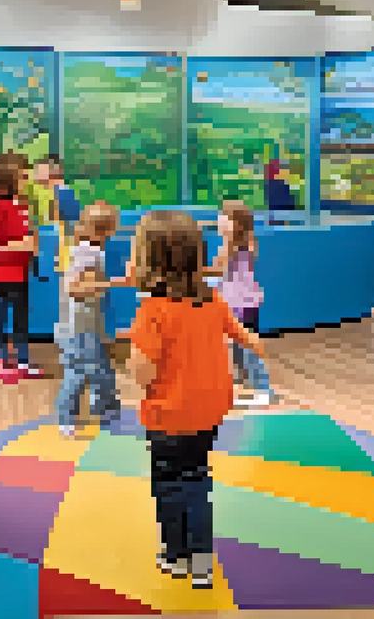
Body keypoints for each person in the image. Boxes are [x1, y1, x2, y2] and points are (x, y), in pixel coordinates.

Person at [124, 211, 263, 589]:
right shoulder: (211, 299)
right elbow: (237, 330)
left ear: (149, 260)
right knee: (197, 478)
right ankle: (201, 560)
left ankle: (175, 555)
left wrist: (132, 361)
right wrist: (254, 344)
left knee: (169, 484)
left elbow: (143, 370)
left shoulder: (153, 309)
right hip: (208, 411)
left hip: (169, 414)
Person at [55, 201, 123, 437]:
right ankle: (67, 416)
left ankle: (107, 409)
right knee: (78, 370)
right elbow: (76, 288)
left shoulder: (86, 248)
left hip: (85, 323)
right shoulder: (88, 251)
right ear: (108, 230)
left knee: (101, 367)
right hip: (78, 326)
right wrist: (115, 282)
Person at [0, 159, 42, 382]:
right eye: (23, 177)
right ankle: (1, 360)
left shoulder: (21, 205)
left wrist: (32, 247)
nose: (27, 181)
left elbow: (25, 233)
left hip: (20, 270)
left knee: (20, 317)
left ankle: (22, 361)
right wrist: (18, 245)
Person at [205, 200, 272, 407]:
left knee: (248, 346)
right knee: (234, 346)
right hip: (233, 303)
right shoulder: (237, 243)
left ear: (236, 223)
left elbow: (217, 268)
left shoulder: (238, 245)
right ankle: (243, 381)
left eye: (225, 216)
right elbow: (217, 270)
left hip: (243, 304)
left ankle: (263, 387)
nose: (220, 219)